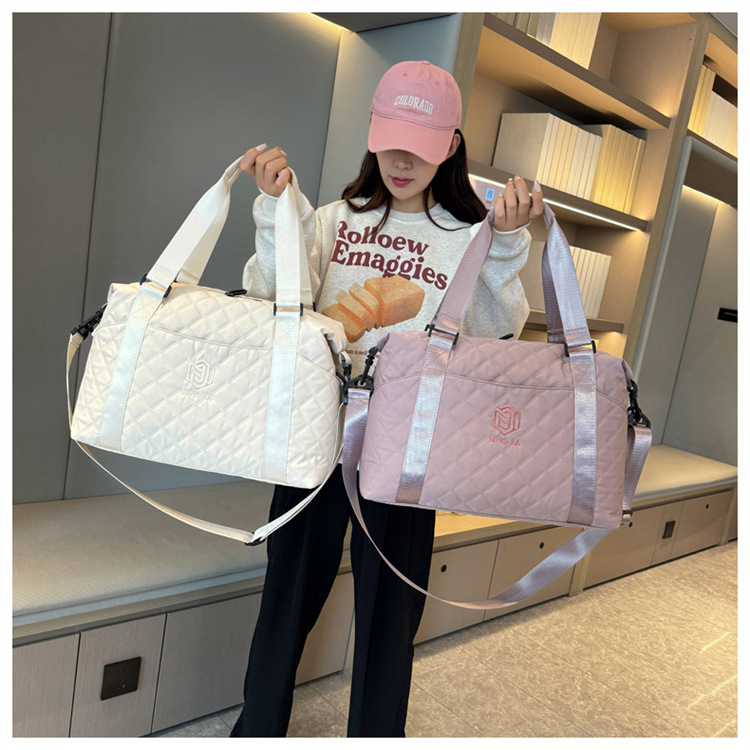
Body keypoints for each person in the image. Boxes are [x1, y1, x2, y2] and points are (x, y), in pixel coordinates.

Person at [230, 60, 544, 738]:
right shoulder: (331, 220)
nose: (402, 161)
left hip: (411, 441)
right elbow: (273, 302)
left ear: (451, 145)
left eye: (421, 146)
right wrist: (276, 212)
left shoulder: (469, 238)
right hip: (317, 430)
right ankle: (257, 731)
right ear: (373, 133)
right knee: (286, 596)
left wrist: (505, 244)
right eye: (391, 141)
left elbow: (492, 337)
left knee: (390, 612)